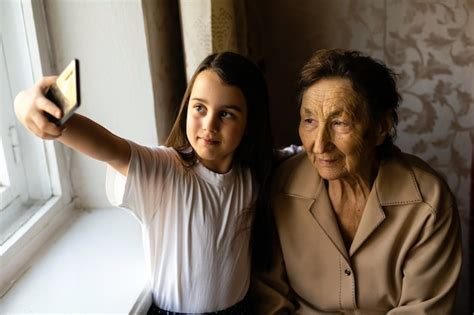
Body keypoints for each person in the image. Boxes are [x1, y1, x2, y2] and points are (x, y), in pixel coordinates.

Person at [14, 52, 274, 314]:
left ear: (250, 123)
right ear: (187, 108)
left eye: (227, 114)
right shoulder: (165, 170)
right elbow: (110, 148)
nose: (209, 125)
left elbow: (297, 155)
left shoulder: (252, 174)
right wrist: (24, 103)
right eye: (199, 108)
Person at [251, 49, 462, 314]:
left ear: (381, 127)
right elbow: (269, 299)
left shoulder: (427, 202)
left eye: (340, 123)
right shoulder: (280, 189)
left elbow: (423, 308)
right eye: (309, 121)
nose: (319, 144)